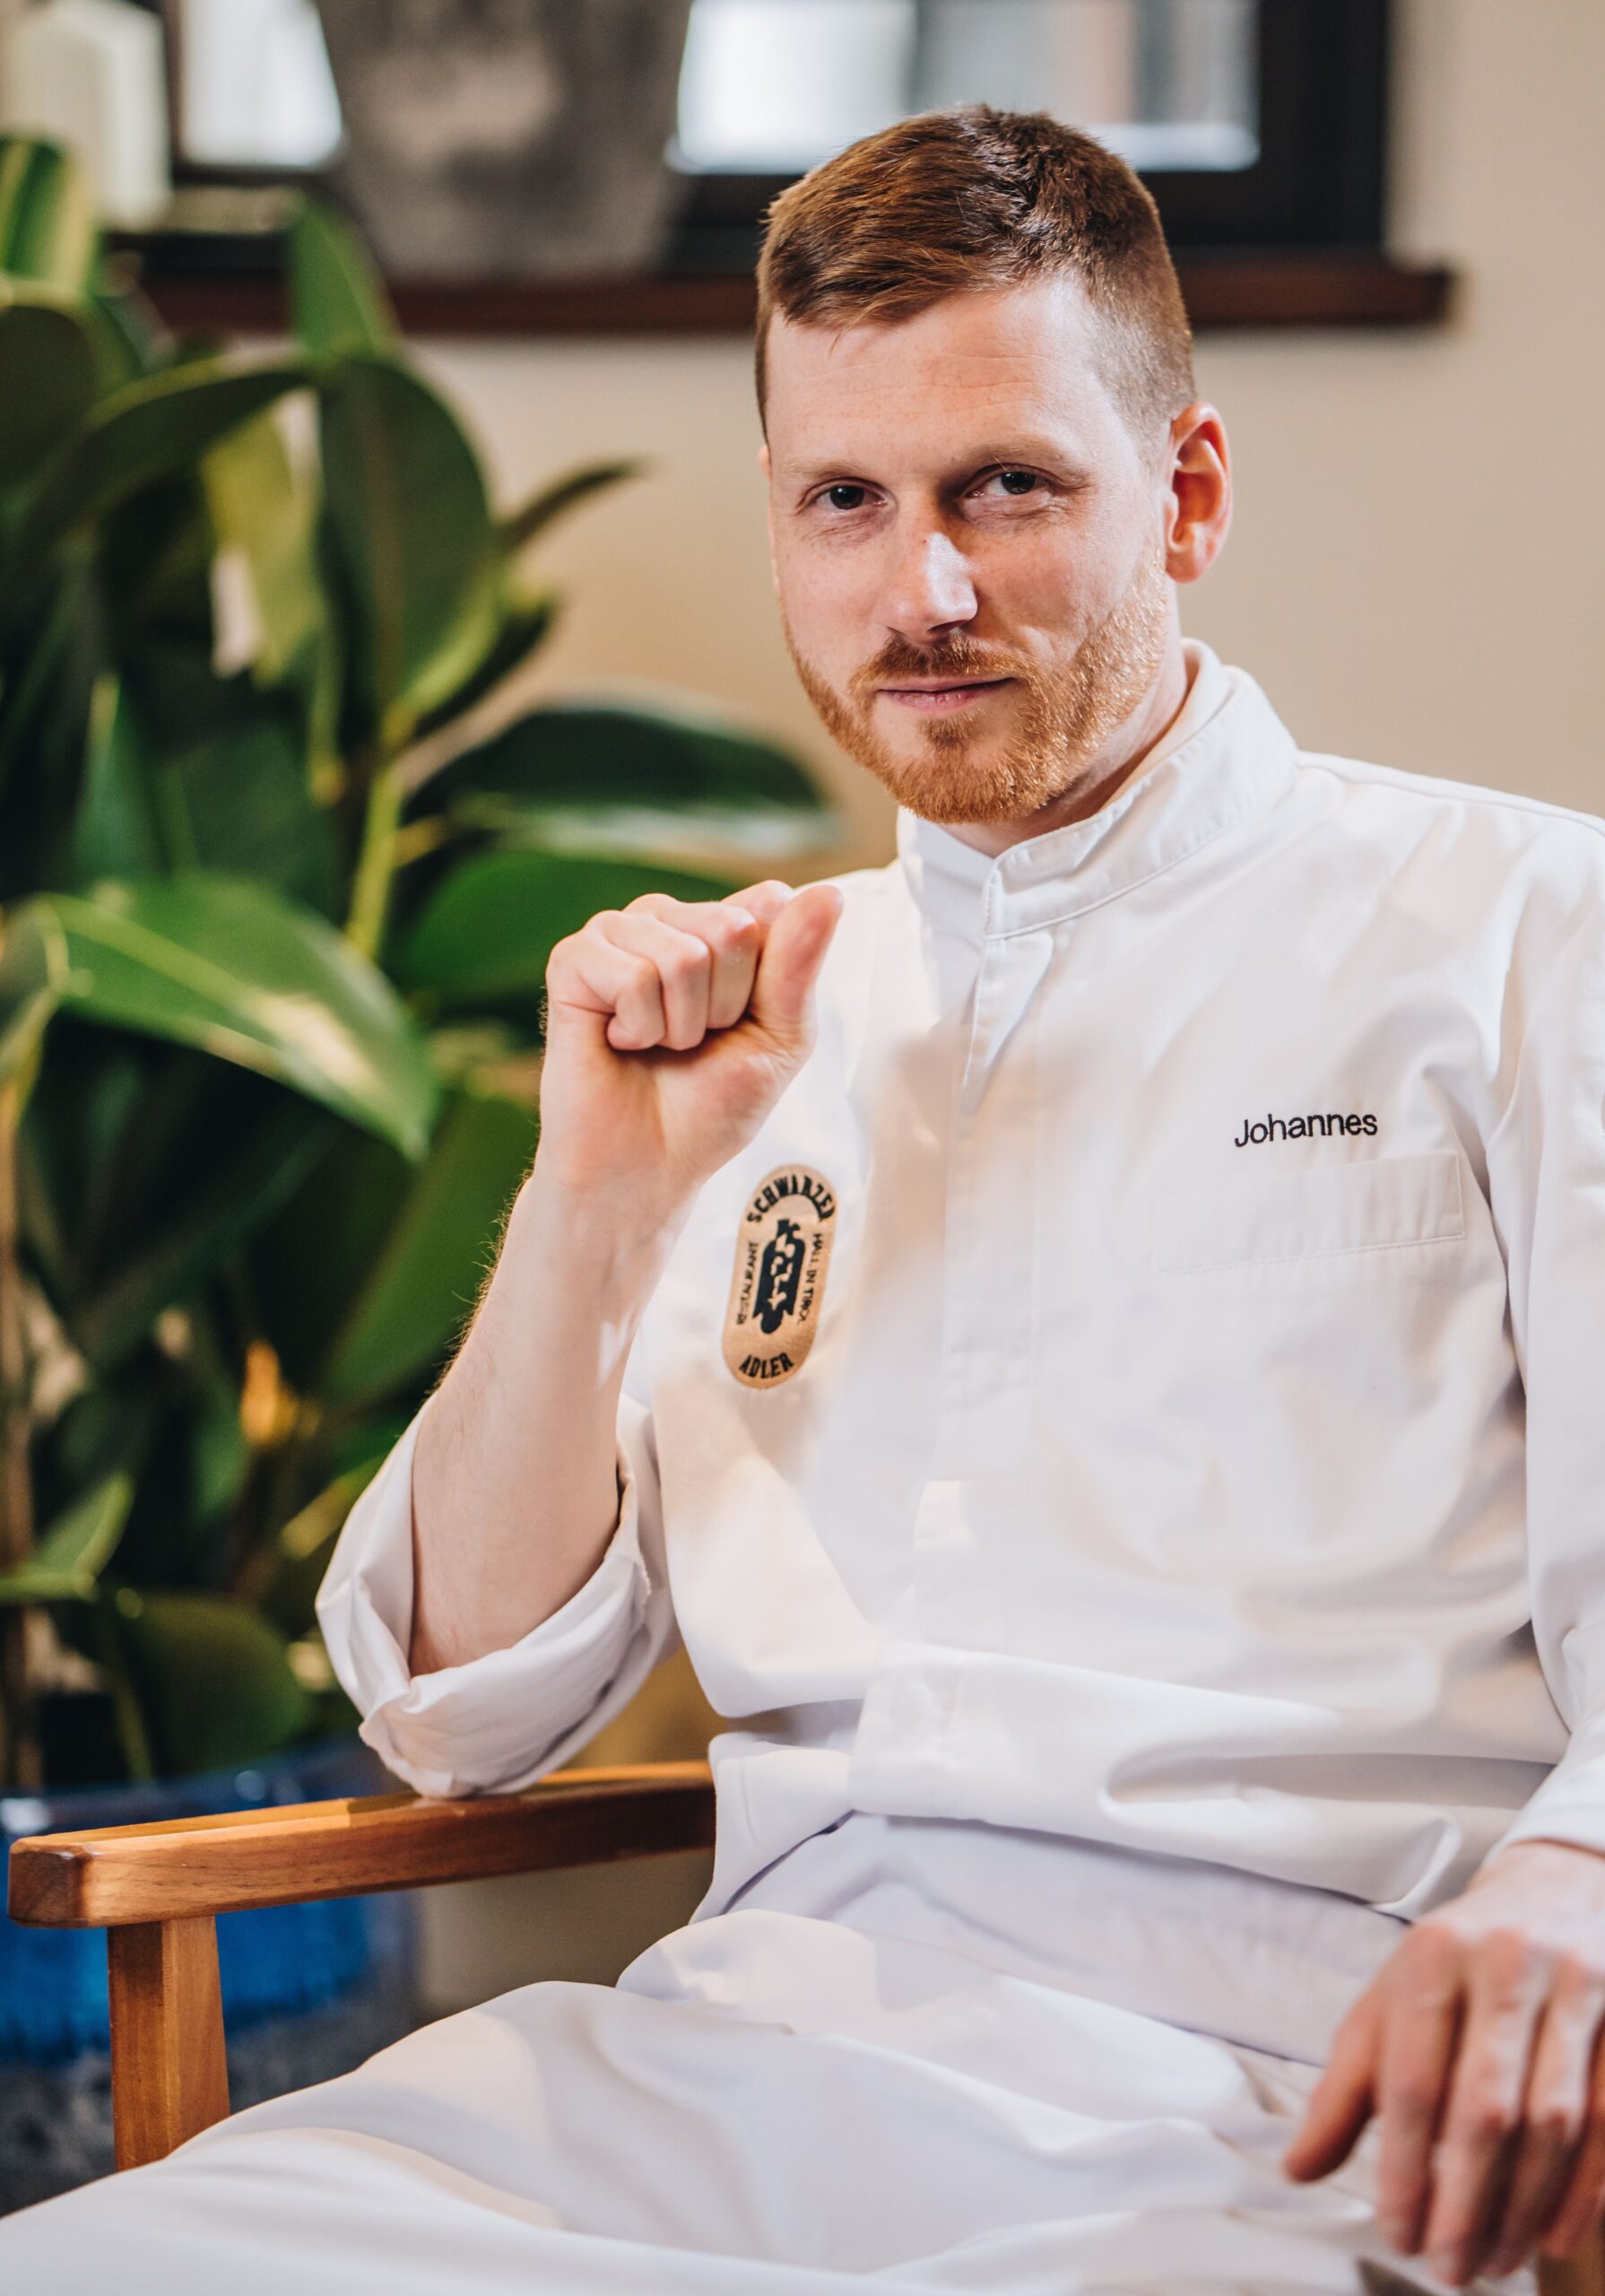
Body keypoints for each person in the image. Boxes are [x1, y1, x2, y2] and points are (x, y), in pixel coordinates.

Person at [7, 103, 1605, 2296]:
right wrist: (595, 1198)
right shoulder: (749, 1024)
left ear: (1187, 493)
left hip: (1278, 2103)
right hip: (722, 2061)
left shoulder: (1523, 935)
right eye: (845, 500)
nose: (919, 592)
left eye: (1005, 488)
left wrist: (1571, 1886)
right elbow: (459, 1711)